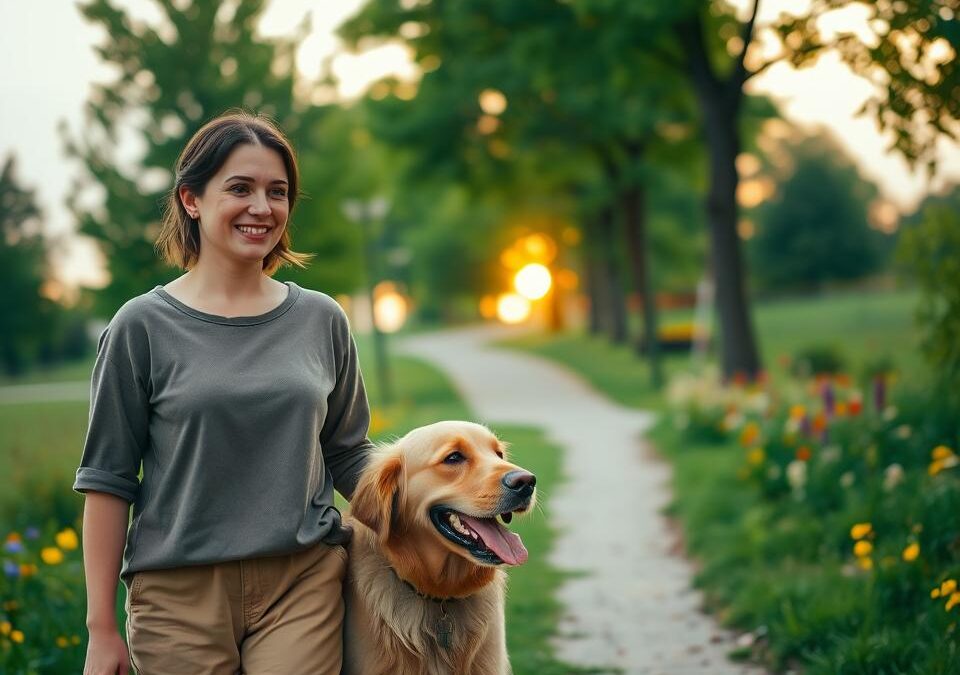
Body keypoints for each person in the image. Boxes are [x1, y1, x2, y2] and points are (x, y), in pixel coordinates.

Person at [75, 111, 374, 675]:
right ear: (192, 199)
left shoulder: (322, 319)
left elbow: (350, 453)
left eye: (278, 192)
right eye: (241, 188)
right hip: (177, 595)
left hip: (302, 580)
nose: (263, 208)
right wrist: (101, 629)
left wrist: (433, 505)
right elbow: (108, 479)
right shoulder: (140, 327)